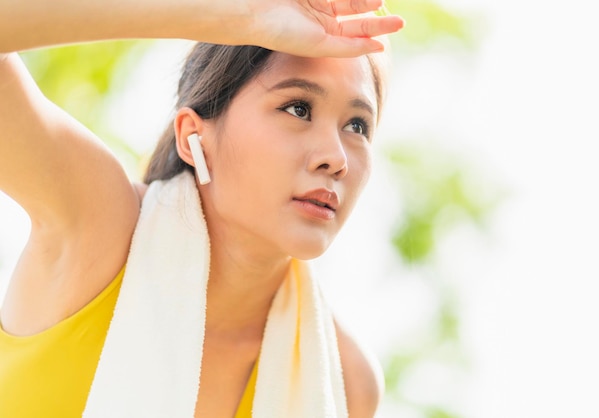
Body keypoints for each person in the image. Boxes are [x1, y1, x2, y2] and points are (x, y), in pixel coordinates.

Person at [0, 1, 404, 417]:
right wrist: (245, 16)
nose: (335, 157)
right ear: (194, 136)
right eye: (298, 108)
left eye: (357, 125)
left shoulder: (348, 382)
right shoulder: (98, 224)